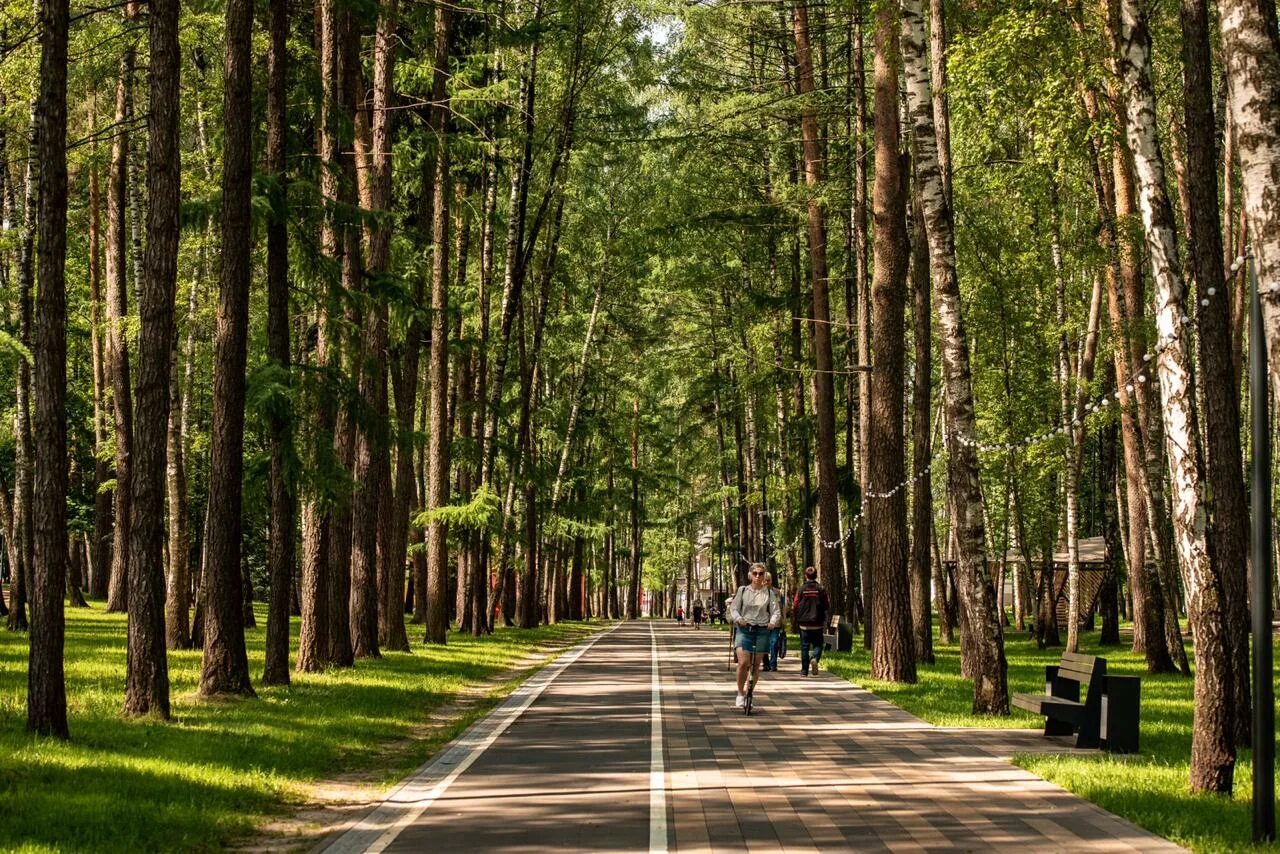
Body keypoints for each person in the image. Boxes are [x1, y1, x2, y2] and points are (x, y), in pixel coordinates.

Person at [729, 563, 781, 708]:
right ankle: (740, 694)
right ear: (750, 575)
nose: (758, 576)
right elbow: (734, 608)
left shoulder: (769, 593)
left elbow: (776, 611)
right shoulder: (743, 590)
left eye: (761, 573)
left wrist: (772, 622)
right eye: (755, 573)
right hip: (745, 629)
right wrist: (739, 619)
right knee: (743, 662)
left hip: (762, 630)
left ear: (764, 575)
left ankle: (749, 693)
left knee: (756, 665)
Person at [792, 565, 831, 676]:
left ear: (806, 576)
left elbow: (795, 604)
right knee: (818, 645)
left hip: (804, 623)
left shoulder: (801, 589)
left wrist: (797, 616)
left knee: (804, 646)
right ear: (816, 575)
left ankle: (804, 671)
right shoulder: (821, 589)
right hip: (817, 622)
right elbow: (826, 604)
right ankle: (814, 658)